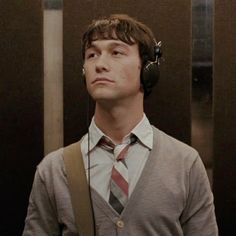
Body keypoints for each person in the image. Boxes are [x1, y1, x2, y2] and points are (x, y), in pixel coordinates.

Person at [23, 14, 218, 235]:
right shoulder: (54, 170)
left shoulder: (185, 164)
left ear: (147, 69)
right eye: (92, 55)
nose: (100, 64)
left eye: (116, 52)